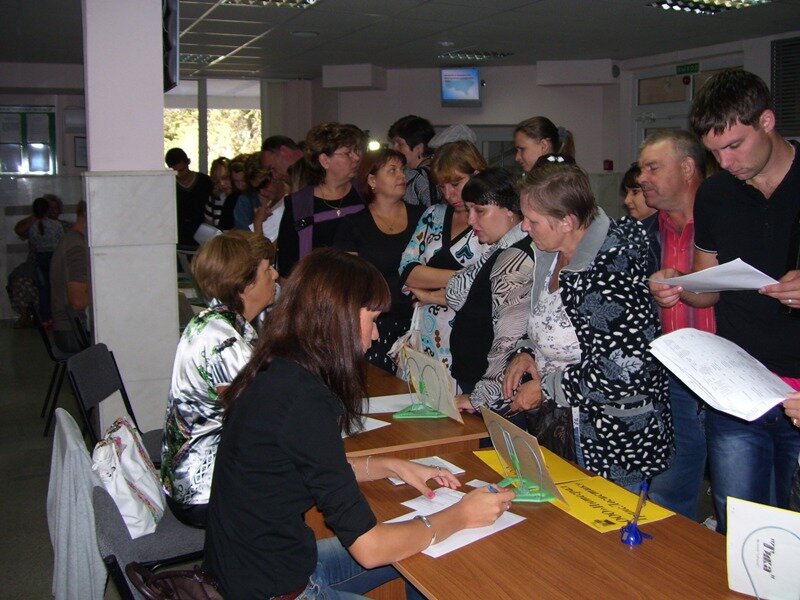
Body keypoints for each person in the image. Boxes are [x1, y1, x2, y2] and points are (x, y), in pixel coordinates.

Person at [203, 248, 515, 599]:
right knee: (424, 540)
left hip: (259, 569)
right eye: (372, 318)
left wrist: (387, 464)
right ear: (341, 317)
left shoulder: (279, 370)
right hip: (275, 588)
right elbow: (371, 550)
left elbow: (305, 465)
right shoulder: (303, 401)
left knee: (420, 550)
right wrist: (462, 514)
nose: (377, 335)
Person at [651, 69, 800, 533]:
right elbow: (707, 285)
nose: (726, 161)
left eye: (734, 145)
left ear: (768, 121)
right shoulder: (715, 195)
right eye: (715, 152)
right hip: (740, 384)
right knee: (745, 527)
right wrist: (679, 284)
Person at [503, 163, 673, 489]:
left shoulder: (614, 265)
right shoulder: (550, 251)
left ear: (567, 221)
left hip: (613, 440)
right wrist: (527, 351)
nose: (524, 227)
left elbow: (625, 370)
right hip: (563, 424)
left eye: (533, 220)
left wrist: (546, 387)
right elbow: (548, 319)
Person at [161, 231, 278, 528]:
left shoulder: (223, 322)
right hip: (201, 492)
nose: (275, 274)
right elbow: (260, 422)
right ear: (245, 285)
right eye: (267, 270)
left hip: (199, 471)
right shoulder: (222, 341)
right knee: (303, 485)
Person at [637, 130, 716, 521]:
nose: (641, 178)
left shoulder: (730, 222)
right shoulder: (642, 236)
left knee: (739, 492)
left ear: (687, 168)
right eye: (641, 169)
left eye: (653, 167)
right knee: (672, 491)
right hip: (673, 376)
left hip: (731, 375)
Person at [444, 168, 534, 414]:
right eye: (468, 209)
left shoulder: (514, 257)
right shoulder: (500, 249)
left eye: (480, 211)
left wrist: (480, 398)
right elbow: (457, 293)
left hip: (495, 395)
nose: (471, 220)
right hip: (481, 385)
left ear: (510, 210)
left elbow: (509, 339)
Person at [398, 140, 488, 377]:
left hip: (469, 337)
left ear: (477, 174)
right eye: (442, 186)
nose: (449, 194)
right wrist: (467, 279)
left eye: (456, 183)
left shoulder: (494, 219)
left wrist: (429, 287)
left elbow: (488, 287)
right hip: (425, 332)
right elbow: (407, 270)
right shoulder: (433, 214)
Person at [334, 148, 425, 373]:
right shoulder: (354, 224)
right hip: (377, 322)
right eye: (392, 171)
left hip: (419, 319)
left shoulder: (424, 216)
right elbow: (347, 282)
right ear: (372, 180)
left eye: (402, 170)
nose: (402, 176)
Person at [276, 122, 366, 277]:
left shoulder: (366, 194)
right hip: (315, 292)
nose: (356, 158)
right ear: (325, 160)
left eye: (356, 151)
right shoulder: (298, 205)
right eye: (348, 153)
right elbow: (287, 267)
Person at [49, 200, 89, 353]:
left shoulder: (70, 239)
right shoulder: (77, 247)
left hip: (66, 330)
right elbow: (78, 302)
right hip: (73, 333)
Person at [165, 147, 213, 249]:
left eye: (182, 170)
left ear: (188, 162)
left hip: (203, 241)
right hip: (179, 241)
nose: (180, 175)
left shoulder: (205, 182)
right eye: (175, 172)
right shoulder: (168, 186)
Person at [234, 153, 286, 242]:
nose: (262, 192)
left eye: (264, 184)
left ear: (275, 175)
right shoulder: (246, 201)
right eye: (256, 189)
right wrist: (258, 222)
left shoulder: (294, 196)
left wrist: (257, 223)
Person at [28, 196, 64, 325]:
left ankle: (45, 319)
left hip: (40, 258)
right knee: (56, 288)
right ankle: (57, 317)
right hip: (54, 257)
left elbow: (32, 243)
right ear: (48, 210)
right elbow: (61, 242)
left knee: (43, 290)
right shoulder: (56, 225)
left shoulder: (32, 227)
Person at [388, 115, 439, 206]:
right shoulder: (440, 170)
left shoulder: (414, 177)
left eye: (400, 144)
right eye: (394, 143)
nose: (394, 149)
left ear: (419, 148)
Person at [620, 162, 660, 275]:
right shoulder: (626, 227)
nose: (627, 200)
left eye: (635, 192)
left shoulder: (660, 236)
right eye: (626, 193)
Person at [204, 156, 237, 231]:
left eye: (225, 178)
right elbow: (209, 228)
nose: (222, 184)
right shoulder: (213, 199)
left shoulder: (241, 198)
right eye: (217, 180)